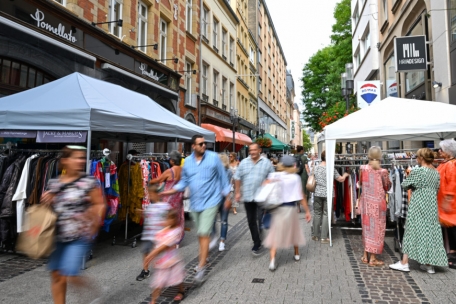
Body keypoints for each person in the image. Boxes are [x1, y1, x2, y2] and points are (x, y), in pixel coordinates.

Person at [159, 135, 230, 284]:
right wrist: (171, 191)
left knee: (203, 234)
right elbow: (184, 181)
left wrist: (228, 197)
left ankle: (201, 266)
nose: (204, 146)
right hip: (195, 203)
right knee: (200, 234)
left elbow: (223, 178)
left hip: (211, 201)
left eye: (205, 143)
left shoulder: (213, 158)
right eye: (200, 144)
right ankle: (210, 243)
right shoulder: (188, 163)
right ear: (193, 146)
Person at [40, 146, 105, 304]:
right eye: (76, 157)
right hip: (58, 236)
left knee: (68, 274)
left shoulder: (87, 182)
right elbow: (52, 208)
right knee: (56, 276)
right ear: (65, 161)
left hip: (79, 235)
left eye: (82, 158)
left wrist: (94, 224)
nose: (81, 161)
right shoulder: (54, 183)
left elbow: (100, 204)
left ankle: (93, 290)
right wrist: (47, 200)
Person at [389, 148, 448, 273]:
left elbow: (404, 185)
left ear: (421, 158)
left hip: (419, 203)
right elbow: (437, 188)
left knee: (412, 230)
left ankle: (404, 263)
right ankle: (429, 265)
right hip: (431, 205)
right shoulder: (435, 172)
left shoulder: (418, 171)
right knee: (430, 232)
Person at [264, 156, 312, 271]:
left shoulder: (274, 175)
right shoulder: (295, 178)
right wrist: (307, 211)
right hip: (290, 208)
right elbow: (301, 195)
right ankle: (296, 253)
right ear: (293, 165)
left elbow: (265, 186)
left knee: (275, 233)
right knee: (294, 231)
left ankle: (272, 260)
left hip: (276, 208)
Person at [234, 143, 275, 255]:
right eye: (250, 150)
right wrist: (237, 192)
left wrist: (268, 181)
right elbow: (237, 177)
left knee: (259, 219)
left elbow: (273, 176)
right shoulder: (243, 163)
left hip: (261, 196)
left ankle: (260, 235)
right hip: (248, 196)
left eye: (254, 150)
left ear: (259, 150)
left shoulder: (266, 163)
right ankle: (256, 242)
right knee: (251, 221)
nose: (252, 152)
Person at [144, 209, 185, 304]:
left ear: (175, 220)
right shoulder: (162, 231)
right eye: (166, 219)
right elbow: (157, 244)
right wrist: (153, 257)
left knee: (177, 278)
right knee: (157, 282)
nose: (167, 221)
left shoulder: (176, 231)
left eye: (170, 219)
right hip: (162, 263)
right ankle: (153, 301)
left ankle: (181, 291)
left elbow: (165, 245)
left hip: (173, 261)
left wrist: (151, 255)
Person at [359, 146, 392, 267]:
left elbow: (361, 183)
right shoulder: (383, 171)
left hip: (366, 202)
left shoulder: (362, 168)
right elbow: (387, 186)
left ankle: (365, 255)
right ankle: (373, 258)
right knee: (377, 229)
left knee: (367, 228)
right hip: (378, 203)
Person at [312, 150, 349, 244]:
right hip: (328, 193)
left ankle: (315, 235)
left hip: (317, 193)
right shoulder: (331, 168)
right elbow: (340, 179)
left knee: (317, 213)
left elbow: (312, 178)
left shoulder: (316, 168)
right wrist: (345, 174)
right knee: (326, 214)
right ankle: (323, 237)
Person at [135, 184, 170, 281]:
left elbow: (168, 219)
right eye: (149, 194)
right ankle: (145, 270)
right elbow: (148, 216)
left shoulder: (165, 206)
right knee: (145, 252)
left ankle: (165, 269)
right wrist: (142, 213)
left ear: (157, 194)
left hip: (159, 235)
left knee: (160, 253)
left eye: (151, 194)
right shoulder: (150, 206)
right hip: (148, 235)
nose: (150, 196)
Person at [150, 151, 184, 244]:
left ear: (172, 161)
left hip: (169, 198)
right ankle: (177, 238)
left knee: (167, 217)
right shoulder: (183, 170)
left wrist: (149, 182)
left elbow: (158, 179)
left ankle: (168, 239)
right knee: (177, 217)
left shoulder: (170, 171)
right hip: (179, 197)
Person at [437, 139, 456, 267]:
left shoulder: (451, 165)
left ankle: (454, 255)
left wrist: (448, 199)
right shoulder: (446, 163)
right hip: (445, 203)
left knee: (454, 230)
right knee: (450, 230)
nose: (439, 152)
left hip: (450, 204)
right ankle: (452, 253)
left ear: (448, 152)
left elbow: (452, 183)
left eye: (441, 150)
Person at [210, 154, 233, 252]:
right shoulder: (228, 172)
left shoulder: (217, 171)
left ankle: (216, 239)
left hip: (216, 198)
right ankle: (221, 241)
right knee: (222, 221)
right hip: (222, 197)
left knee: (214, 220)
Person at [296, 145, 310, 212]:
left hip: (296, 174)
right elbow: (306, 167)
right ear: (301, 150)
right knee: (304, 190)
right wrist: (309, 175)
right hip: (303, 174)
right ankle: (305, 207)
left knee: (297, 190)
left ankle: (298, 208)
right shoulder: (304, 157)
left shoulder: (294, 157)